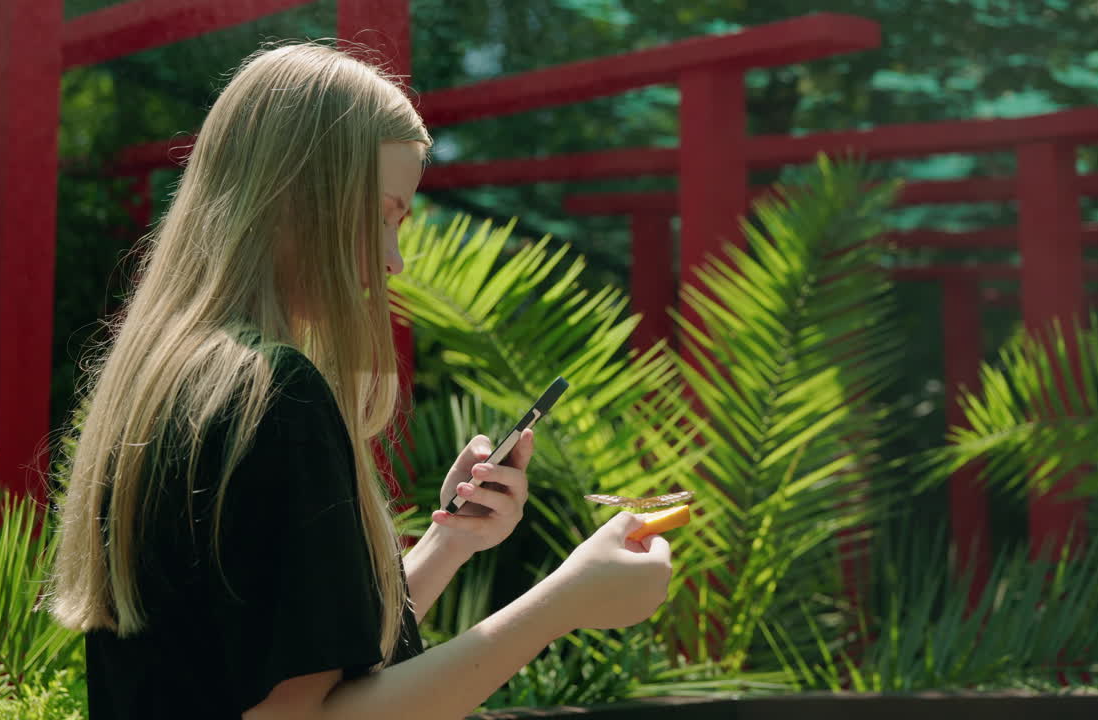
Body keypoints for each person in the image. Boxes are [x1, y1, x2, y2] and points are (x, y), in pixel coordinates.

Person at [48, 40, 672, 720]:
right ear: (299, 192)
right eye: (384, 215)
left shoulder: (170, 380)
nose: (395, 260)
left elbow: (297, 666)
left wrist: (448, 543)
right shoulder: (274, 393)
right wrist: (566, 602)